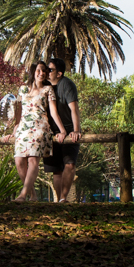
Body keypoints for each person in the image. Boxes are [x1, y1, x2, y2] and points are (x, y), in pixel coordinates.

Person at [0, 61, 66, 202]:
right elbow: (18, 112)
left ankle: (23, 195)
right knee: (19, 161)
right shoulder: (22, 89)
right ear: (33, 72)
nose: (41, 73)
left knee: (32, 159)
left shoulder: (48, 90)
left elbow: (53, 112)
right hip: (24, 127)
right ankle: (32, 195)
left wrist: (63, 130)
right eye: (38, 70)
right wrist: (15, 129)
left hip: (40, 126)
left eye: (44, 71)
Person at [44, 57, 81, 202]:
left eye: (50, 70)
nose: (47, 72)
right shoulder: (45, 85)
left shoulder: (67, 85)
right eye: (47, 69)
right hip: (52, 133)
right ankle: (59, 201)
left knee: (70, 164)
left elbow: (74, 108)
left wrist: (76, 130)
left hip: (69, 130)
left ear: (59, 73)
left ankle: (64, 199)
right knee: (56, 170)